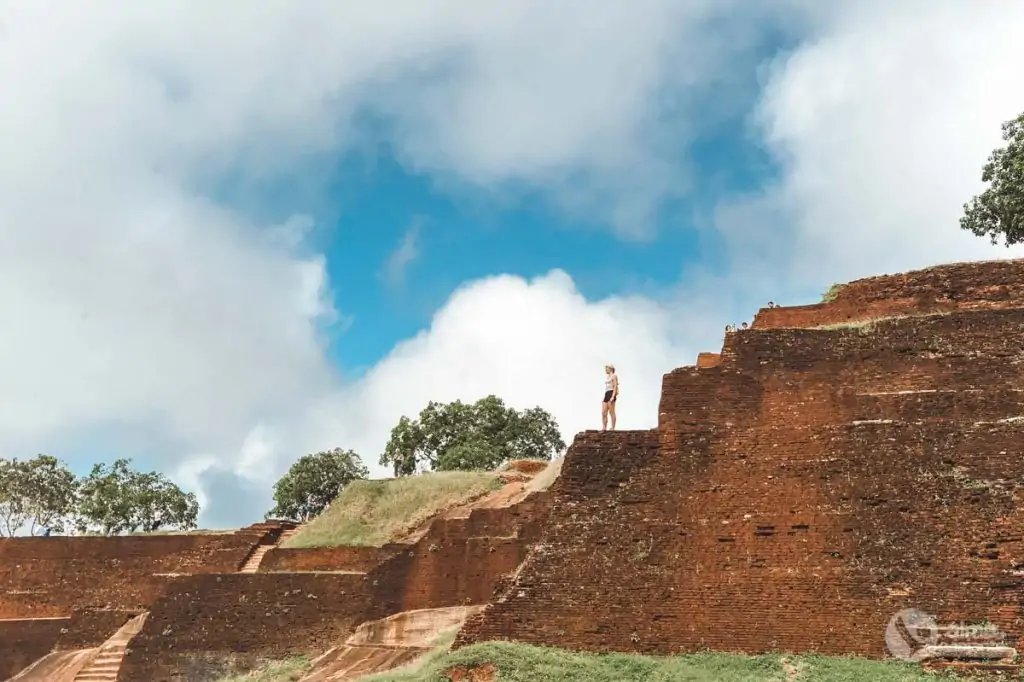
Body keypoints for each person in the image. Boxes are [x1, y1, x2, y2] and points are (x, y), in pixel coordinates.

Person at [602, 364, 619, 431]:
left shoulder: (614, 376)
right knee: (603, 412)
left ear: (610, 368)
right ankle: (604, 428)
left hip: (611, 393)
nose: (606, 370)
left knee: (612, 412)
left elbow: (615, 387)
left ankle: (613, 427)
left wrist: (613, 396)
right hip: (606, 393)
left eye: (607, 368)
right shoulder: (607, 377)